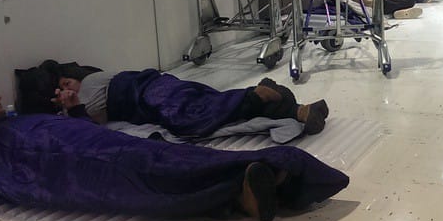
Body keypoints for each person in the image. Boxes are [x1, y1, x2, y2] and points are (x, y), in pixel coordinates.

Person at [0, 84, 348, 221]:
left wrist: (74, 109)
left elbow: (86, 128)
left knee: (169, 160)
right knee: (150, 176)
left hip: (93, 144)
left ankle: (261, 182)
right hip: (68, 165)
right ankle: (252, 185)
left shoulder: (17, 119)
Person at [53, 69, 329, 136]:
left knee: (189, 120)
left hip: (154, 95)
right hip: (167, 85)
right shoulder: (101, 78)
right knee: (217, 106)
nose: (66, 90)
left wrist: (73, 106)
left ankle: (255, 95)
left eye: (65, 84)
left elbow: (93, 126)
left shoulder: (89, 85)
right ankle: (300, 111)